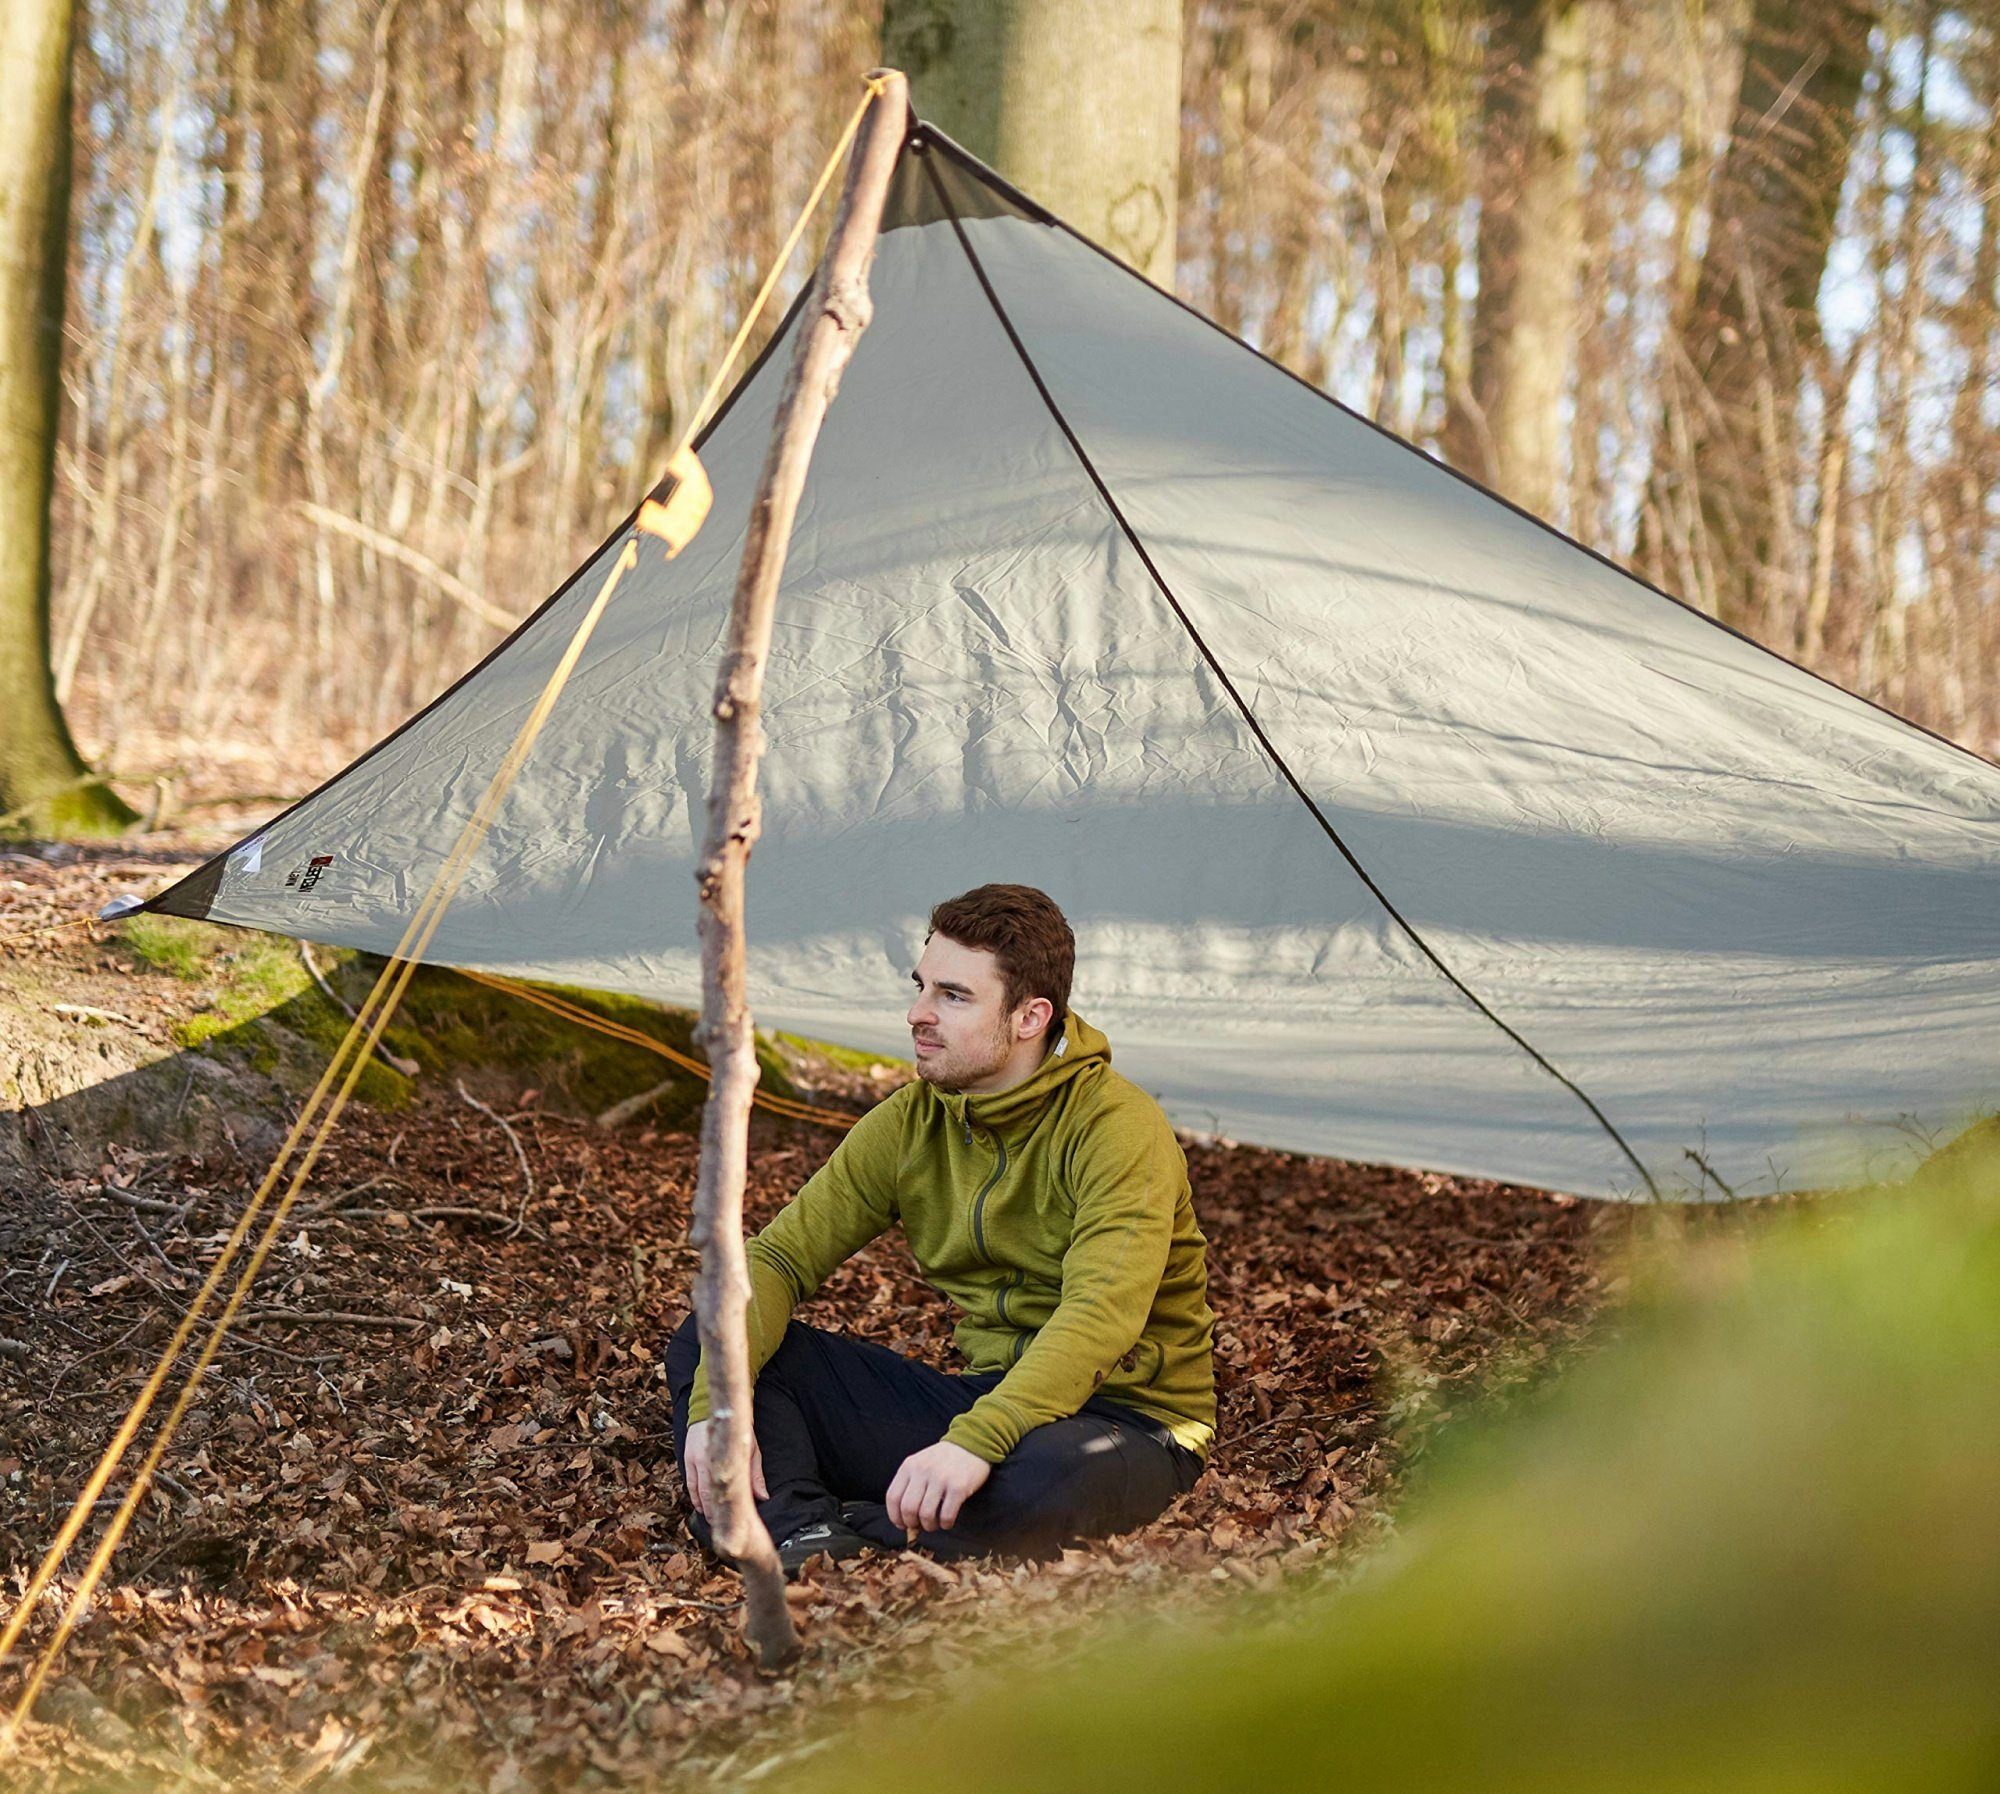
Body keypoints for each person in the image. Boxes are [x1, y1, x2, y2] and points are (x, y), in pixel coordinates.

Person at [666, 883, 1216, 1573]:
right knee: (712, 1340)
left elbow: (1101, 1316)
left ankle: (852, 1518)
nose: (917, 1014)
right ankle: (805, 1531)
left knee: (1051, 1478)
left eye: (953, 996)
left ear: (1029, 1017)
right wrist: (719, 1407)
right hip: (987, 1398)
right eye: (921, 986)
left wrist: (974, 1444)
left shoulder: (1117, 1129)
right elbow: (777, 1259)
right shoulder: (913, 1120)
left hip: (1126, 1420)